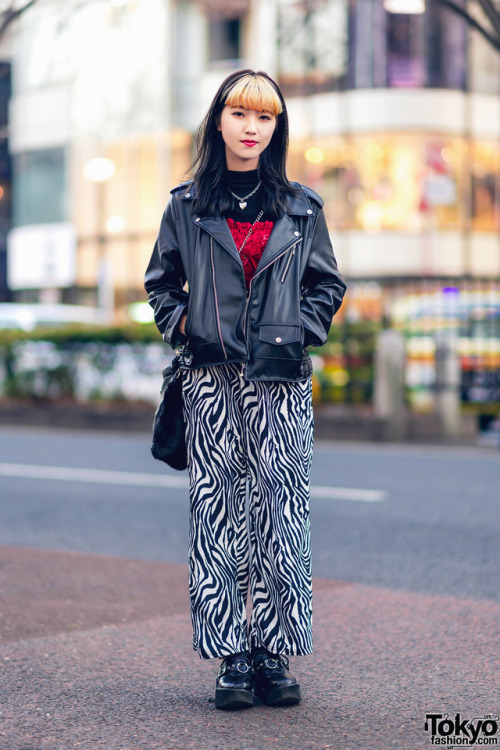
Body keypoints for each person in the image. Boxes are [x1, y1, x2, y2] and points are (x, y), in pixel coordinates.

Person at [145, 70, 346, 710]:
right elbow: (160, 283)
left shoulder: (302, 207)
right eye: (240, 114)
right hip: (209, 383)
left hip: (281, 383)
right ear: (219, 122)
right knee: (218, 516)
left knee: (282, 516)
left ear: (276, 128)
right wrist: (187, 327)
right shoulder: (185, 205)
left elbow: (326, 286)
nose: (252, 127)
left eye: (265, 117)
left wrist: (297, 331)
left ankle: (274, 653)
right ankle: (233, 657)